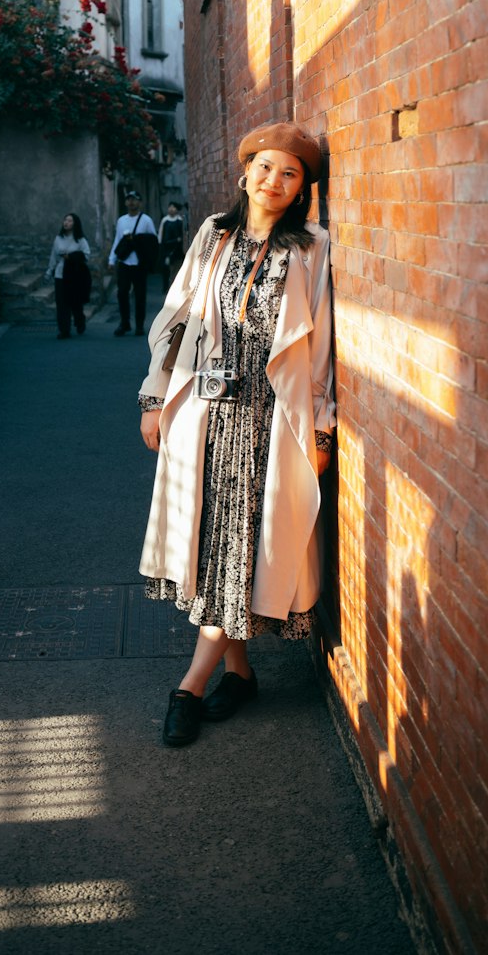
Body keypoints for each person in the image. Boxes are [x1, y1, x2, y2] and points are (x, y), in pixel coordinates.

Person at [137, 121, 335, 747]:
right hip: (205, 408)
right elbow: (178, 313)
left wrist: (323, 427)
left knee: (242, 540)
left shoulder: (311, 246)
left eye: (291, 173)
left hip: (269, 417)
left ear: (302, 187)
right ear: (245, 172)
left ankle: (190, 685)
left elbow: (323, 343)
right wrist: (152, 394)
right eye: (266, 167)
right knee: (214, 542)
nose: (274, 181)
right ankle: (240, 673)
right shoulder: (213, 236)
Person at [107, 189, 157, 337]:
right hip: (124, 263)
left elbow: (153, 241)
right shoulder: (121, 220)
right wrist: (112, 259)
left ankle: (139, 325)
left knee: (140, 295)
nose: (131, 202)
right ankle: (124, 322)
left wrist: (140, 244)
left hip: (139, 264)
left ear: (139, 202)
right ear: (125, 202)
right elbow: (117, 241)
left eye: (134, 199)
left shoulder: (146, 220)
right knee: (122, 293)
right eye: (129, 199)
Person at [44, 212, 92, 339]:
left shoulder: (80, 240)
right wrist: (49, 271)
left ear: (75, 223)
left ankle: (80, 320)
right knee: (61, 303)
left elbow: (86, 255)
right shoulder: (58, 239)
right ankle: (64, 330)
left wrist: (71, 256)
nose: (66, 222)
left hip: (75, 275)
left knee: (75, 301)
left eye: (70, 221)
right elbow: (53, 257)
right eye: (65, 220)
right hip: (61, 274)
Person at [158, 202, 185, 288]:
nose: (171, 209)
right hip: (166, 248)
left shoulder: (180, 220)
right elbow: (160, 234)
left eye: (173, 207)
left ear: (177, 209)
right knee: (166, 268)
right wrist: (160, 245)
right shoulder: (165, 220)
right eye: (170, 207)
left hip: (177, 248)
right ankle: (165, 286)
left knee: (176, 268)